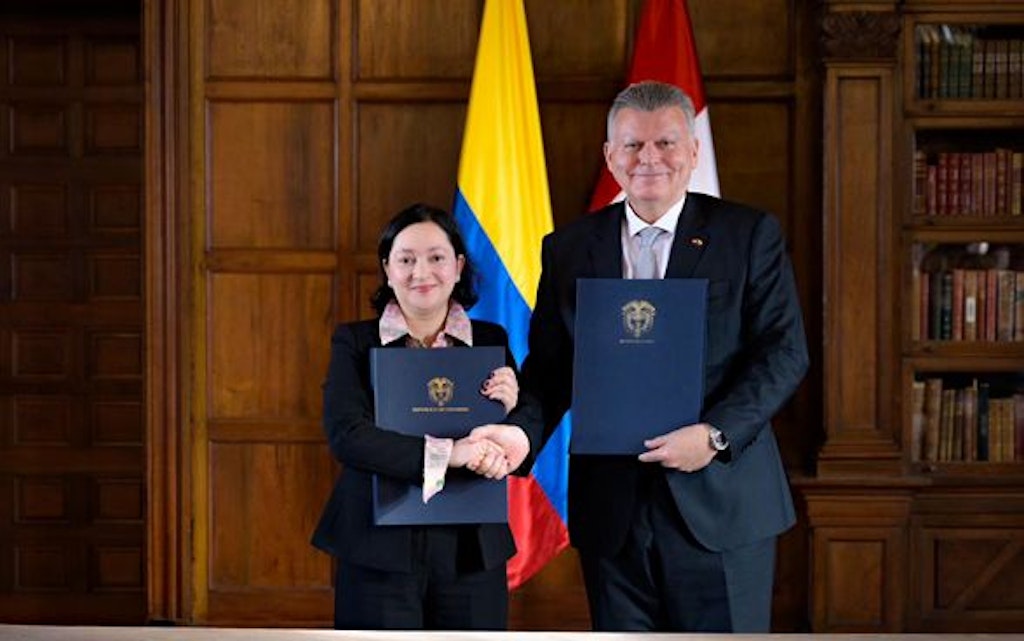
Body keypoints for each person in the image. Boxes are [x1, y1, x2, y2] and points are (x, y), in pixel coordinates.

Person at [519, 80, 809, 632]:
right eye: (632, 145)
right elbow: (551, 369)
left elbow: (784, 352)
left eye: (665, 143)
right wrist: (518, 435)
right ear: (610, 156)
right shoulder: (568, 248)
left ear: (693, 151)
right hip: (613, 510)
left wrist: (715, 434)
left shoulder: (747, 234)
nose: (648, 158)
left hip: (720, 500)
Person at [311, 203, 540, 630]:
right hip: (378, 543)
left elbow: (521, 430)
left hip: (471, 546)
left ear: (458, 267)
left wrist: (510, 414)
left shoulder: (490, 340)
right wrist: (450, 453)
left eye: (436, 257)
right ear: (387, 269)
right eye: (406, 259)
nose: (422, 272)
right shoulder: (355, 342)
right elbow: (347, 434)